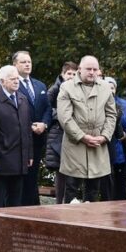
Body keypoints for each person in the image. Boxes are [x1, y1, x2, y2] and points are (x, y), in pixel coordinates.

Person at [56, 56, 115, 202]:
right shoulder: (66, 87)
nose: (92, 72)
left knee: (94, 191)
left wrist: (105, 136)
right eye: (88, 69)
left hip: (98, 144)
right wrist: (82, 137)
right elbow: (65, 117)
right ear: (80, 69)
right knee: (71, 189)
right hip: (74, 145)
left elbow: (111, 115)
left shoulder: (105, 87)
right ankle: (69, 223)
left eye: (95, 69)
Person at [0, 65, 33, 208]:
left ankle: (12, 228)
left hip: (20, 158)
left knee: (15, 200)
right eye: (12, 79)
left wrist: (29, 154)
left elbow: (27, 129)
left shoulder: (22, 99)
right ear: (2, 81)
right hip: (0, 159)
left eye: (17, 78)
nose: (16, 81)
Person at [9, 51, 50, 206]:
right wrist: (29, 126)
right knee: (21, 177)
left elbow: (47, 108)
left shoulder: (40, 85)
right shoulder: (10, 84)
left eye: (29, 62)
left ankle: (32, 206)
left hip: (38, 137)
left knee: (33, 176)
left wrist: (44, 124)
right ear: (14, 65)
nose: (27, 64)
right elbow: (9, 111)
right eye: (23, 62)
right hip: (20, 138)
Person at [43, 61, 78, 204]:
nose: (71, 76)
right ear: (63, 74)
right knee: (61, 172)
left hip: (73, 134)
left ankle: (70, 201)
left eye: (74, 74)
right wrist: (63, 115)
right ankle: (59, 202)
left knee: (73, 172)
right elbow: (46, 110)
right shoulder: (54, 90)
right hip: (58, 135)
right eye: (69, 73)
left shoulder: (78, 89)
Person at [104, 77, 126, 200]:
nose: (110, 90)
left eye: (112, 87)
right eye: (107, 87)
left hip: (122, 149)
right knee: (107, 185)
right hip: (104, 149)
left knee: (122, 185)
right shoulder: (98, 103)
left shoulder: (124, 104)